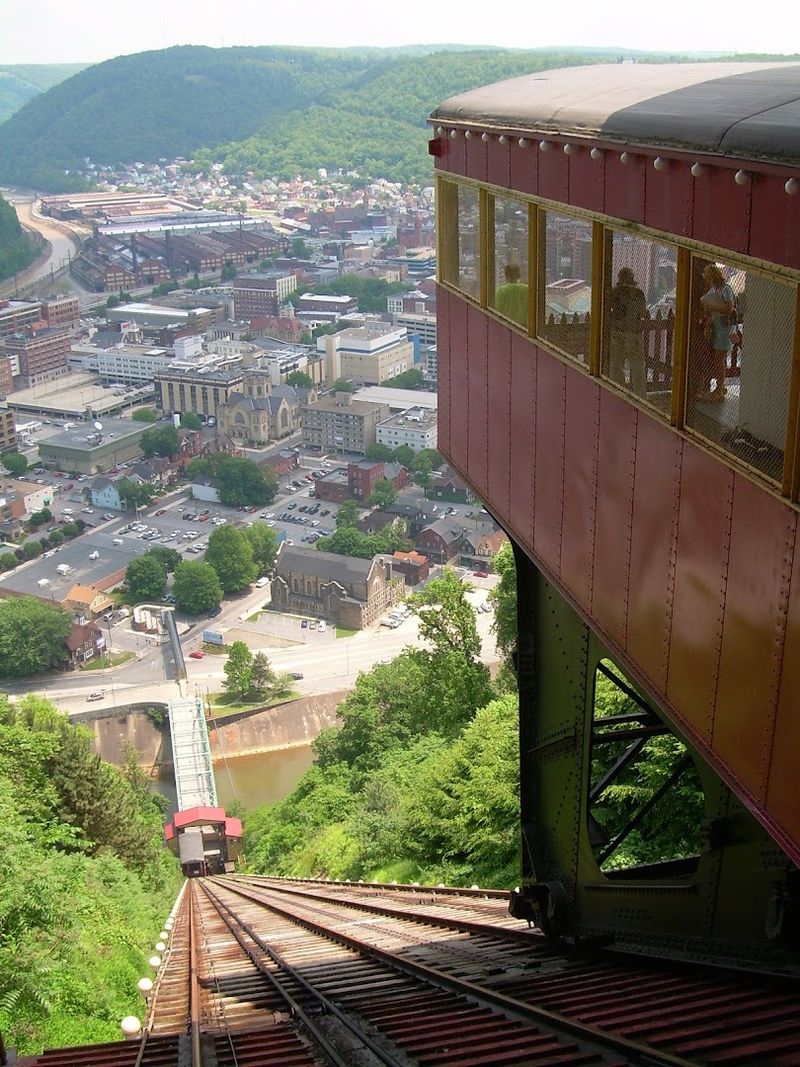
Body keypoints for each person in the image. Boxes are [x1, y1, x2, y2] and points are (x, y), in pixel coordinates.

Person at [607, 267, 648, 397]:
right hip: (634, 332)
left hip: (618, 331)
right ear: (633, 278)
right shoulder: (638, 293)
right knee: (637, 366)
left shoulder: (615, 292)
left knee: (617, 364)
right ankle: (640, 395)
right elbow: (643, 313)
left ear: (619, 278)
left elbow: (609, 308)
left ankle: (618, 392)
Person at [698, 264, 735, 402]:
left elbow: (729, 309)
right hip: (716, 326)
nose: (704, 276)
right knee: (718, 359)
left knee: (719, 359)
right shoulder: (714, 289)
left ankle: (719, 389)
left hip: (725, 328)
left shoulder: (726, 290)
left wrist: (712, 306)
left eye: (706, 273)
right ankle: (721, 384)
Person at [494, 263, 529, 329]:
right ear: (519, 275)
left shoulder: (501, 291)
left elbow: (497, 310)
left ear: (506, 275)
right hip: (524, 328)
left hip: (506, 326)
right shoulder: (526, 289)